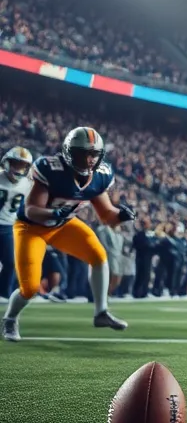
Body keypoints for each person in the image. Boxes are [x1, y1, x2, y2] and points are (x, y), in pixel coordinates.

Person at [2, 128, 132, 342]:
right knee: (30, 286)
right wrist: (54, 212)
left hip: (62, 226)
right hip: (31, 229)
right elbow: (31, 209)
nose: (89, 160)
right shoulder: (51, 169)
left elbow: (107, 216)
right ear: (69, 152)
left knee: (99, 256)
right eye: (83, 154)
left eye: (93, 155)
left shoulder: (100, 176)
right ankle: (10, 318)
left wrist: (122, 216)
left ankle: (101, 312)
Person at [0, 147, 35, 298]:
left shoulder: (27, 184)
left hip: (8, 227)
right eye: (16, 164)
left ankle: (3, 295)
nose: (19, 168)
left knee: (10, 263)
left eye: (23, 165)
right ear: (7, 163)